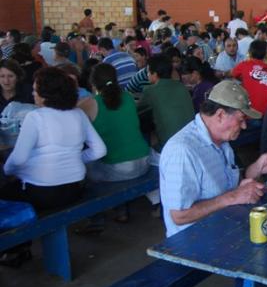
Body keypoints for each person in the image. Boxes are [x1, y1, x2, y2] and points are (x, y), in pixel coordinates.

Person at [160, 81, 267, 238]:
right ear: (221, 115)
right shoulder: (182, 150)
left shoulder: (222, 142)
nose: (244, 126)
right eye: (241, 119)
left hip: (225, 226)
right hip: (194, 243)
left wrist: (257, 167)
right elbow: (179, 216)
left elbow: (229, 186)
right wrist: (233, 197)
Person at [2, 67, 106, 208]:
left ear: (45, 95)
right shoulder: (78, 114)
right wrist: (73, 159)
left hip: (42, 192)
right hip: (75, 188)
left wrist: (7, 171)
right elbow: (100, 150)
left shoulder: (35, 117)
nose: (33, 94)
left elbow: (19, 158)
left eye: (35, 90)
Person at [77, 64, 150, 228]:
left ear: (92, 83)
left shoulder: (89, 104)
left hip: (120, 169)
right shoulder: (128, 97)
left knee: (83, 165)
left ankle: (95, 218)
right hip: (144, 160)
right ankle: (121, 211)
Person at [137, 54, 195, 154]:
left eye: (148, 72)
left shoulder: (150, 91)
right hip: (192, 142)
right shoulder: (181, 86)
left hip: (170, 148)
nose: (147, 75)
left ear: (154, 74)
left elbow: (137, 109)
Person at [231, 40, 267, 118]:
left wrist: (245, 78)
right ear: (265, 54)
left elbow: (233, 74)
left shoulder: (244, 65)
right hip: (265, 114)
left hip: (249, 113)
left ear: (250, 52)